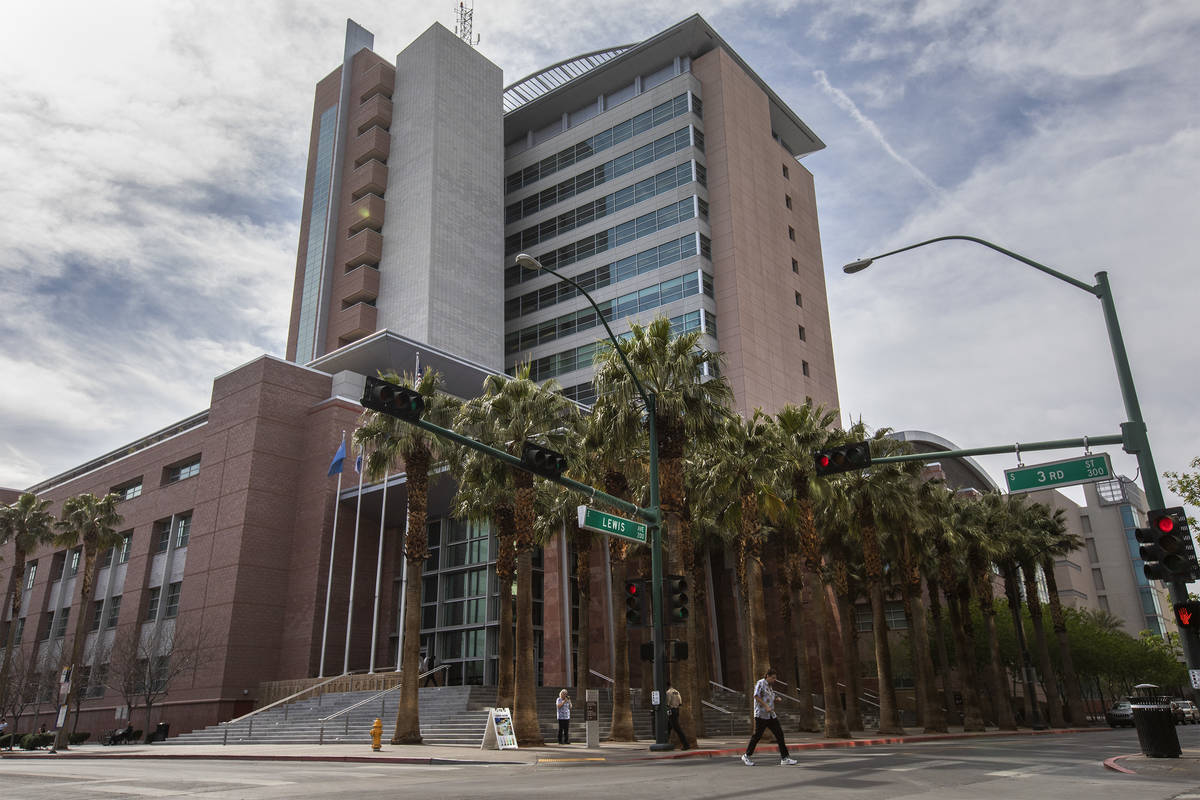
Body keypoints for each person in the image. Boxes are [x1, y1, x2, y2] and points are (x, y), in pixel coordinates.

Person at [742, 667, 797, 766]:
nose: (774, 680)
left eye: (775, 678)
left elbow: (770, 695)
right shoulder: (760, 683)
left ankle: (784, 758)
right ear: (767, 676)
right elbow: (756, 696)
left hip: (771, 715)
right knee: (757, 736)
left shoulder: (769, 686)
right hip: (761, 715)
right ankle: (746, 756)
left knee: (779, 734)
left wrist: (776, 698)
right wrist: (766, 706)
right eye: (773, 678)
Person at [665, 682, 691, 749]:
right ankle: (666, 742)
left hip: (671, 711)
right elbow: (680, 702)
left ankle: (686, 744)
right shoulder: (677, 691)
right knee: (668, 727)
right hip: (676, 710)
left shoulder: (668, 692)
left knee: (677, 729)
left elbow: (667, 703)